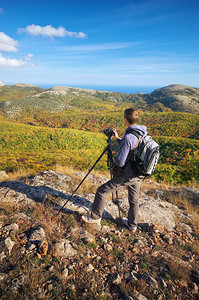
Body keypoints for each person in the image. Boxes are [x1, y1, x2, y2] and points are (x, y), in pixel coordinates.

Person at [82, 108, 147, 232]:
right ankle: (132, 225)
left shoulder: (128, 137)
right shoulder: (141, 132)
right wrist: (118, 139)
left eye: (124, 118)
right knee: (134, 200)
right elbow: (133, 147)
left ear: (126, 119)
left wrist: (115, 163)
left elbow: (120, 162)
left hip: (128, 174)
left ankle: (95, 217)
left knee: (102, 191)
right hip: (138, 172)